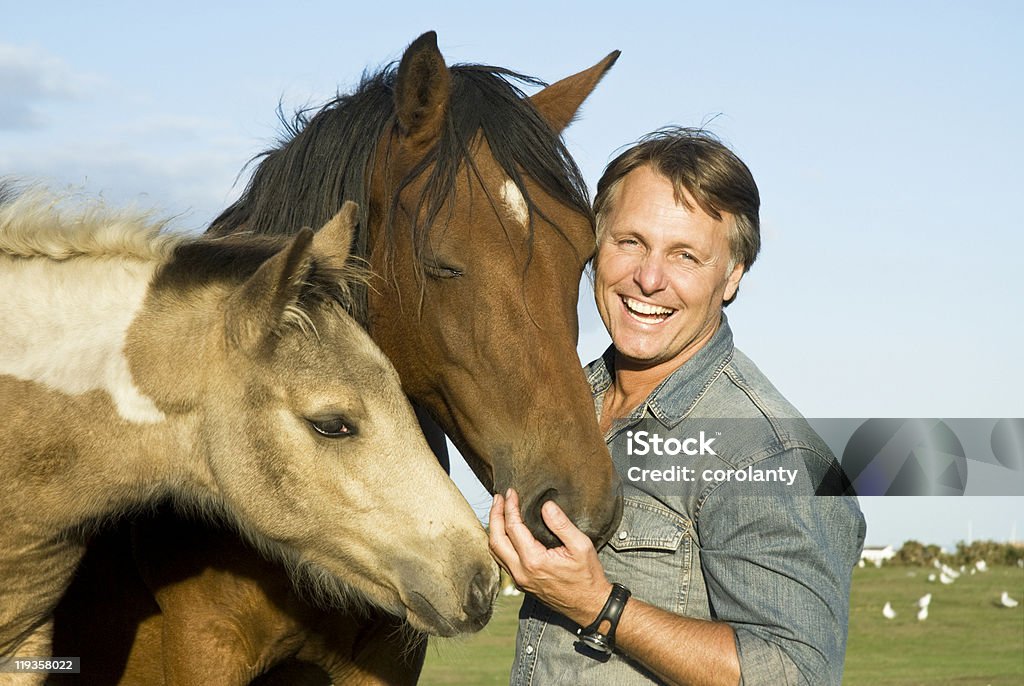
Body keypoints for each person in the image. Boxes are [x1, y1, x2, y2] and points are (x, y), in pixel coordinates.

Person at [489, 127, 866, 685]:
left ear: (732, 276)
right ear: (594, 249)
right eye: (629, 242)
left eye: (685, 255)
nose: (648, 278)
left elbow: (794, 673)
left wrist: (599, 605)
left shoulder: (772, 456)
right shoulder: (565, 402)